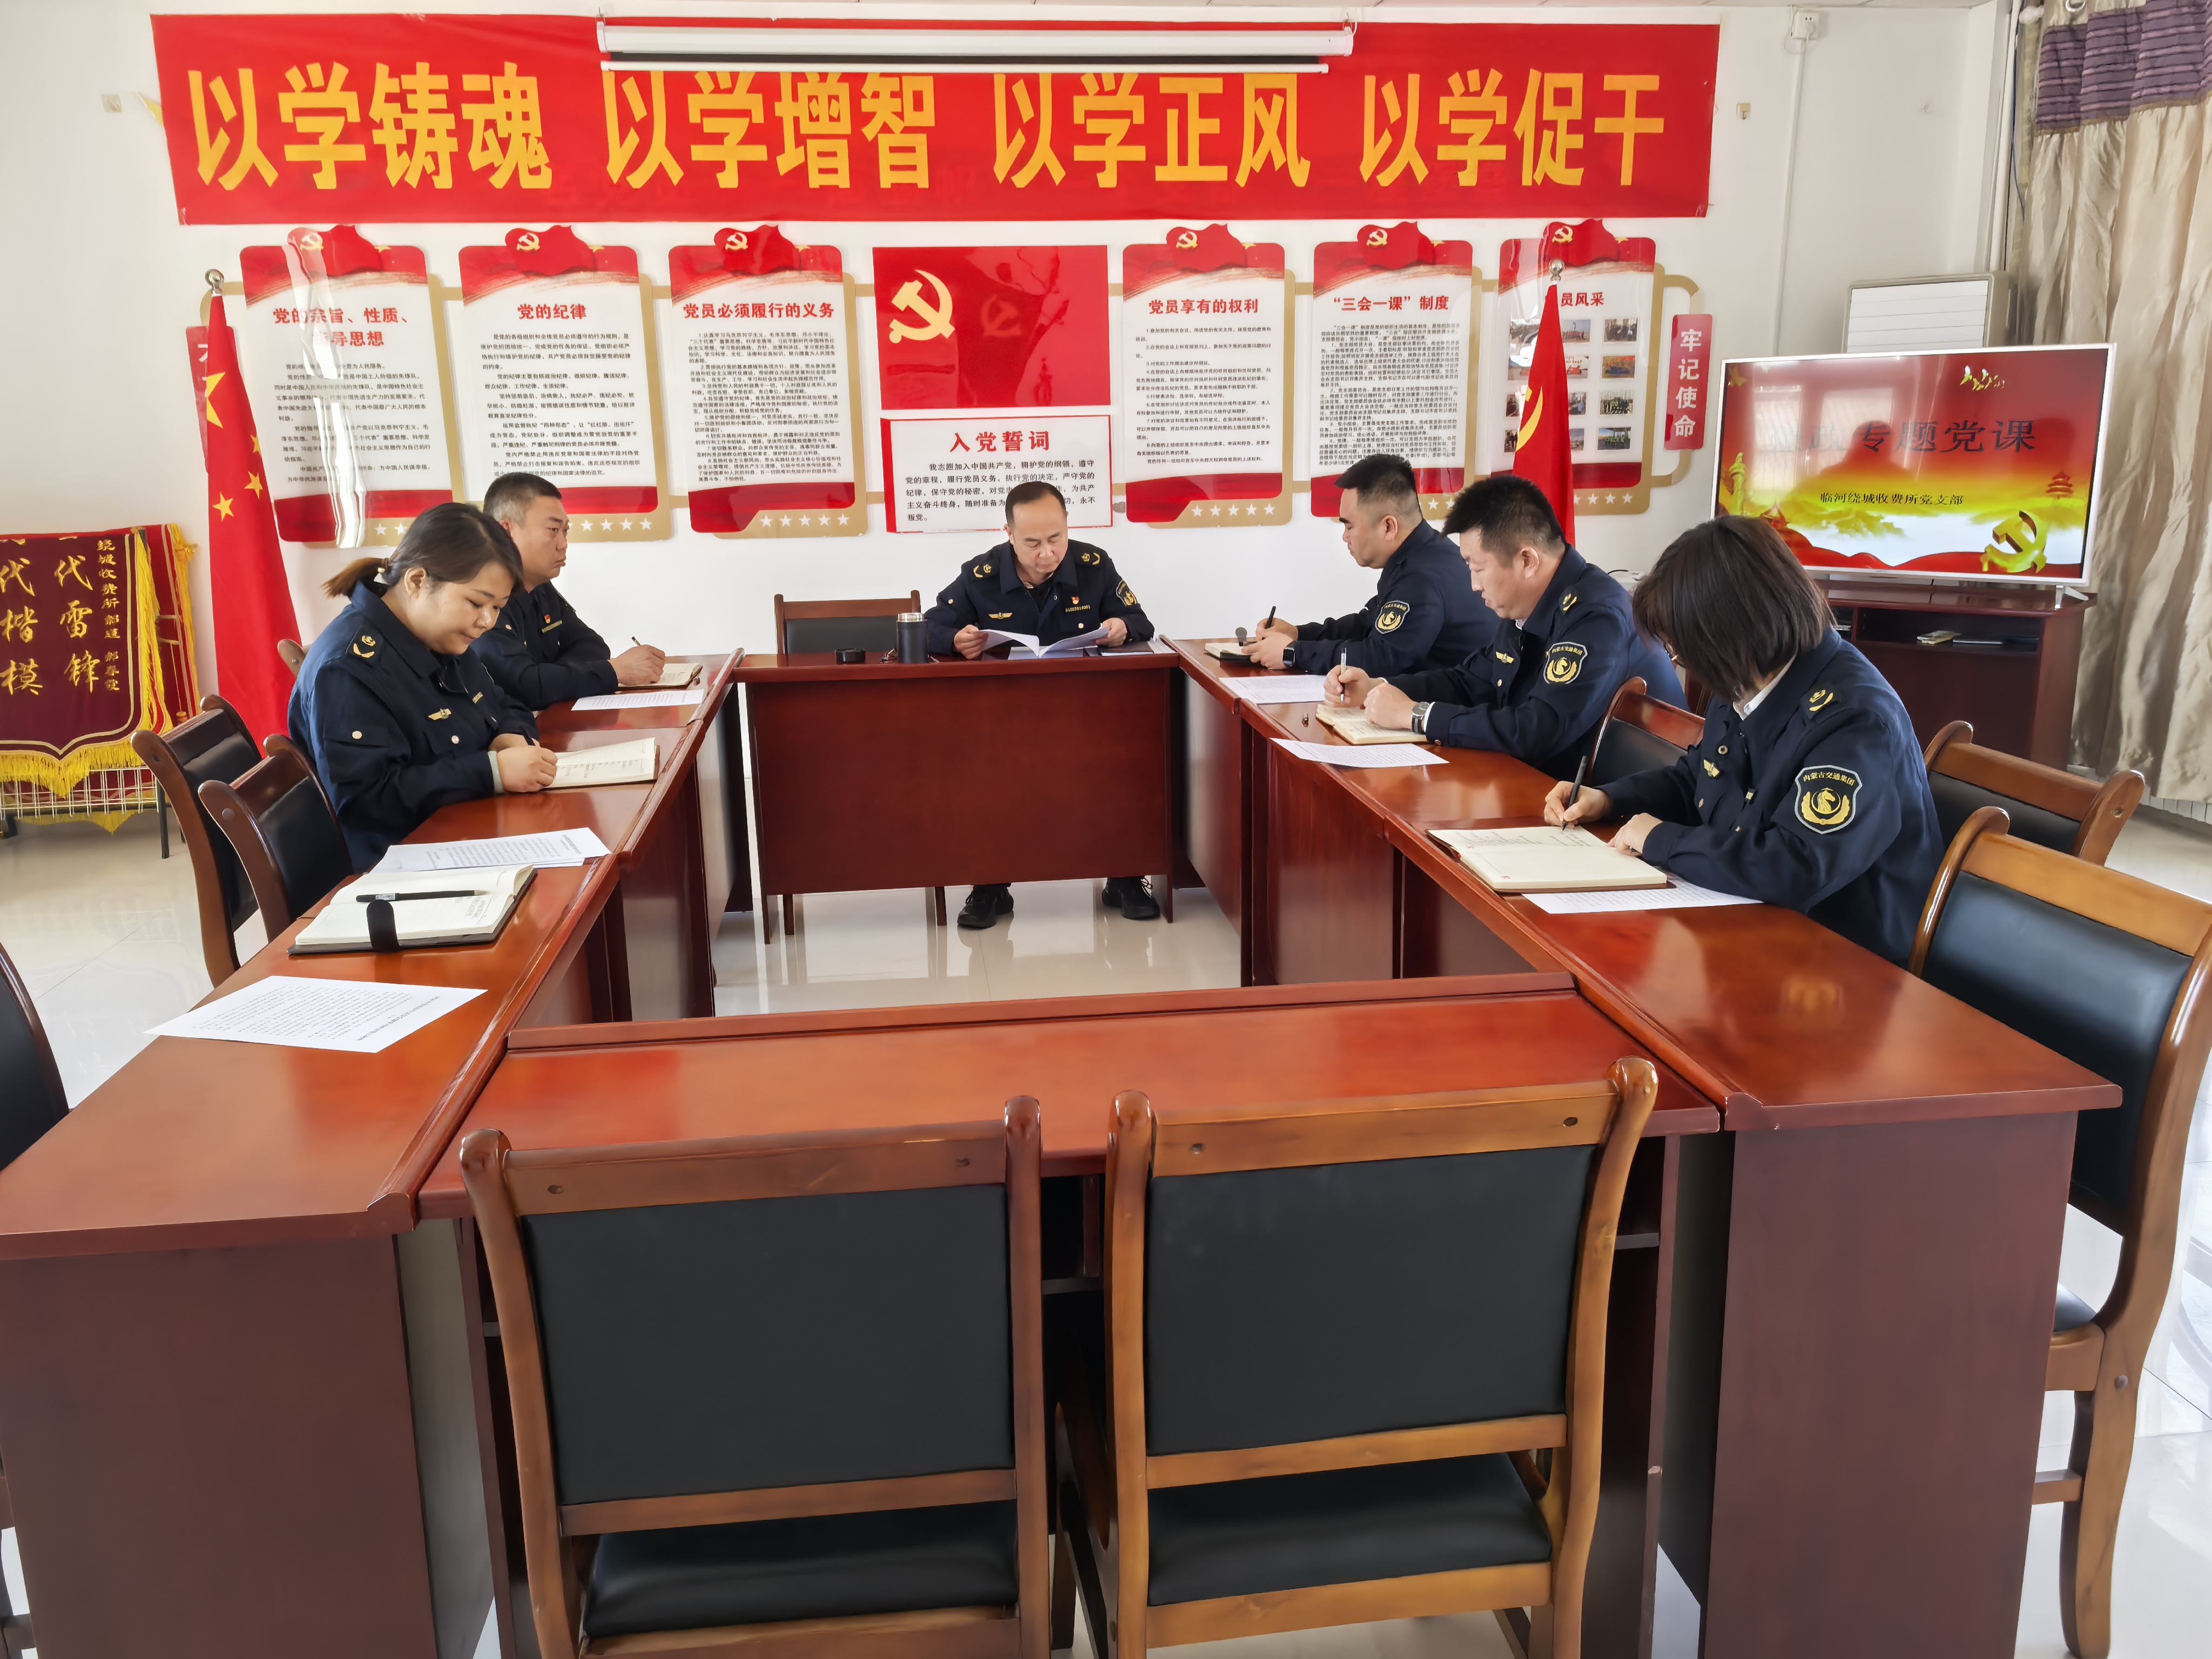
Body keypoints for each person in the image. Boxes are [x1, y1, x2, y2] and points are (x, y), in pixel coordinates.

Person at [1543, 514, 1941, 965]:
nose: (1681, 661)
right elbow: (1700, 777)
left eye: (1683, 648)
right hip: (1748, 923)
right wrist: (1610, 799)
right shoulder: (1747, 677)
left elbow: (1796, 865)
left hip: (1843, 960)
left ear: (1732, 632)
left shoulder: (1856, 720)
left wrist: (1663, 840)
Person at [1325, 476, 1681, 777]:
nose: (1473, 585)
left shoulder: (1597, 618)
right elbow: (1472, 681)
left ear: (1527, 560)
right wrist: (1379, 687)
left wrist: (1416, 715)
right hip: (1551, 789)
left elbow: (1537, 730)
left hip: (1624, 814)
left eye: (1478, 568)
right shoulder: (1528, 604)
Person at [923, 480, 1161, 927]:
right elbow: (930, 627)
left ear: (1067, 526)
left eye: (1056, 538)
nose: (1047, 553)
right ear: (1009, 534)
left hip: (1086, 712)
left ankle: (1126, 877)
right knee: (984, 775)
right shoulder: (981, 575)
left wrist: (1121, 628)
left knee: (1125, 765)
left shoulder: (1094, 566)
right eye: (1032, 543)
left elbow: (1140, 621)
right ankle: (990, 885)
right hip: (1004, 716)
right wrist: (955, 640)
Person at [291, 503, 557, 869]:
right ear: (417, 582)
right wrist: (491, 771)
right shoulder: (348, 668)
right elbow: (368, 802)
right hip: (401, 864)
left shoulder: (441, 635)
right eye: (477, 603)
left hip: (470, 831)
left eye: (498, 607)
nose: (487, 621)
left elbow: (501, 702)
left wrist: (509, 736)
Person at [1240, 453, 1498, 676]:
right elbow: (1368, 625)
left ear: (1388, 527)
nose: (1345, 537)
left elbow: (1381, 658)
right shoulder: (1422, 554)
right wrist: (1298, 634)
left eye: (1349, 526)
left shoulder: (1423, 577)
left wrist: (1292, 653)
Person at [472, 473, 669, 709]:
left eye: (565, 531)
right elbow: (524, 686)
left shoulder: (540, 587)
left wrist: (550, 677)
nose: (564, 544)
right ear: (507, 531)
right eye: (553, 529)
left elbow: (593, 646)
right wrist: (616, 671)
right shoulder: (483, 599)